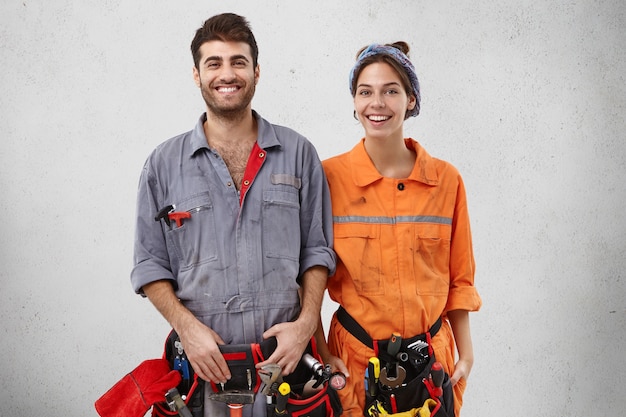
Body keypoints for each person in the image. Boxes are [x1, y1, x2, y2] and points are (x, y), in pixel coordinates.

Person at [130, 13, 336, 416]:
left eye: (238, 62)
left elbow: (317, 251)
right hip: (204, 373)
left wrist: (307, 323)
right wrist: (187, 330)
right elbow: (149, 264)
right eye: (215, 63)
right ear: (197, 74)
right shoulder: (163, 165)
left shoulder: (298, 154)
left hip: (286, 369)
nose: (228, 74)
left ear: (256, 71)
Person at [317, 42, 482, 417]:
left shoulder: (446, 181)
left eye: (391, 90)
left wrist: (467, 354)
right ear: (354, 101)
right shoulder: (327, 179)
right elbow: (305, 280)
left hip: (432, 364)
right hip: (355, 363)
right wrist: (323, 355)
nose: (377, 103)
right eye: (366, 92)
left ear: (410, 100)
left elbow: (460, 279)